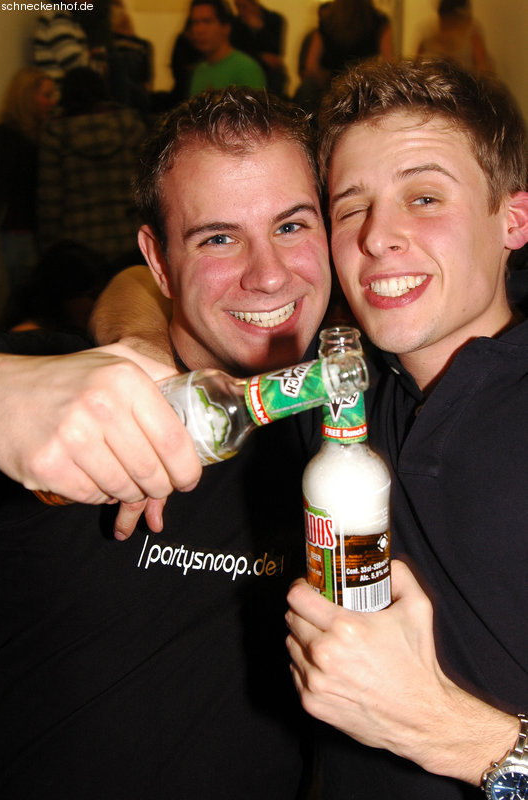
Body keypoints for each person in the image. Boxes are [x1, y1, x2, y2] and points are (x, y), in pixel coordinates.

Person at [0, 87, 331, 799]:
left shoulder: (361, 409)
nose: (269, 274)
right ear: (156, 258)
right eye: (218, 238)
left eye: (292, 225)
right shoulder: (64, 394)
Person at [285, 58, 528, 799]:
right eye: (350, 208)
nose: (377, 236)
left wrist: (449, 731)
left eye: (424, 197)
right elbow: (165, 288)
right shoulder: (336, 387)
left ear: (514, 219)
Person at [37, 66, 146, 265]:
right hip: (129, 235)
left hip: (78, 243)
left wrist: (48, 246)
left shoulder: (55, 134)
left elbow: (50, 198)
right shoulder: (131, 125)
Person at [0, 67, 57, 292]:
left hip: (30, 230)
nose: (52, 102)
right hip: (18, 231)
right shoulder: (7, 137)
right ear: (26, 97)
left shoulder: (42, 134)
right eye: (46, 95)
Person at [294, 0, 394, 113]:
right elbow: (388, 63)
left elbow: (311, 66)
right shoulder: (379, 22)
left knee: (307, 89)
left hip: (330, 86)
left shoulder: (328, 22)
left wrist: (327, 81)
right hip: (362, 87)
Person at [188, 0, 266, 96]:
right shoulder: (199, 71)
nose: (199, 30)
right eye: (195, 23)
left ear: (226, 27)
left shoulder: (246, 69)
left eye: (207, 21)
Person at [231, 0, 288, 96]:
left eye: (244, 6)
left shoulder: (274, 19)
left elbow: (275, 50)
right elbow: (237, 51)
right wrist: (261, 56)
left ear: (254, 4)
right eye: (238, 6)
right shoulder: (235, 24)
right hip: (245, 64)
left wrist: (259, 29)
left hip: (268, 69)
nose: (240, 11)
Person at [418, 0, 493, 73]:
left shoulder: (472, 33)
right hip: (432, 78)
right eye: (445, 21)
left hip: (463, 79)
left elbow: (483, 67)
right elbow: (417, 65)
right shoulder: (428, 33)